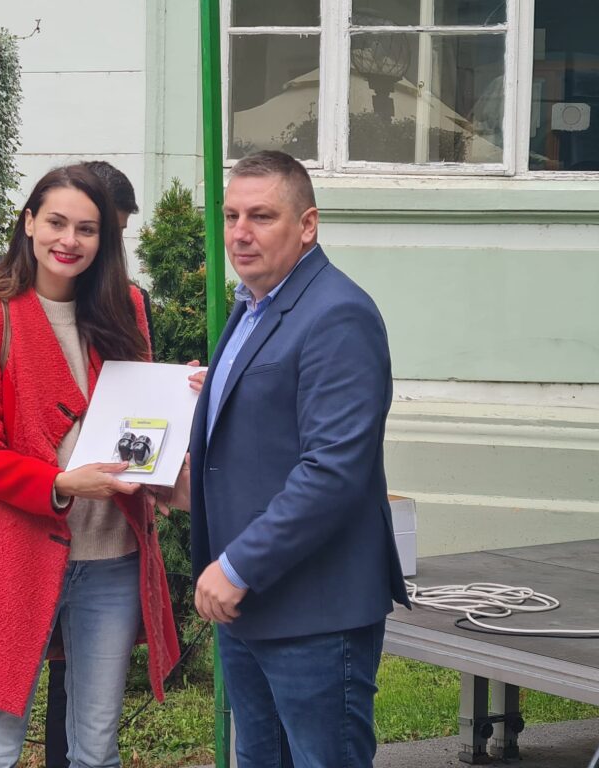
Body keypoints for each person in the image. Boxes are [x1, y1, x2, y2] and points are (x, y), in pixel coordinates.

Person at [165, 150, 410, 767]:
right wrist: (184, 487)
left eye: (261, 216)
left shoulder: (337, 313)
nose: (240, 233)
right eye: (231, 216)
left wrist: (236, 566)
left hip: (313, 611)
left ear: (307, 225)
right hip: (250, 605)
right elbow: (265, 440)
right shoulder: (254, 304)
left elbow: (333, 472)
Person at [0, 164, 179, 768]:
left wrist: (180, 399)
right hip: (18, 553)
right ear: (29, 223)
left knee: (96, 749)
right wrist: (62, 483)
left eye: (87, 229)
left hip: (114, 558)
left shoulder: (126, 308)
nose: (70, 240)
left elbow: (141, 427)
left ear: (105, 238)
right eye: (56, 223)